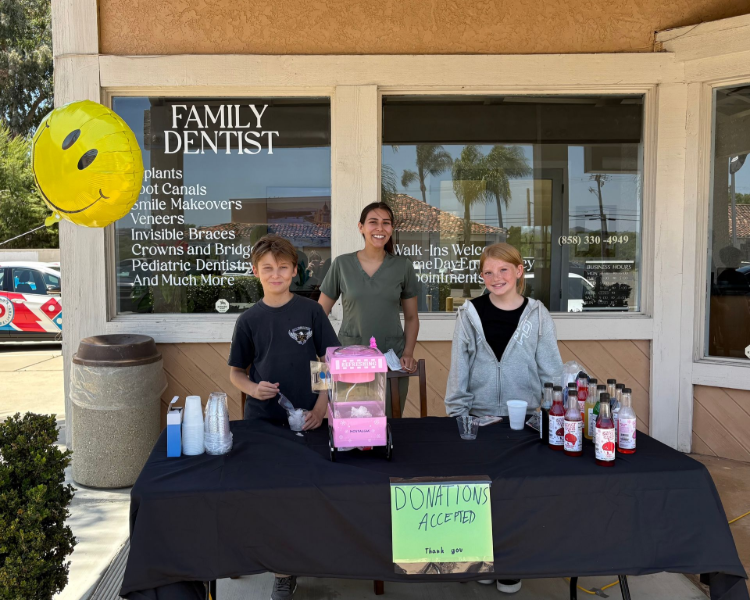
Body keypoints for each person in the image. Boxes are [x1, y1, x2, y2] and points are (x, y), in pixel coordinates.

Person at [443, 242, 562, 595]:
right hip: (478, 419)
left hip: (523, 420)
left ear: (519, 271)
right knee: (479, 492)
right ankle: (480, 557)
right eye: (488, 272)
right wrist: (457, 413)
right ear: (481, 276)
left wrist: (549, 411)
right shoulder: (469, 314)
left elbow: (551, 370)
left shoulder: (538, 315)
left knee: (516, 494)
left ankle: (511, 564)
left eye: (503, 270)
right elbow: (459, 367)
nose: (496, 278)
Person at [228, 235, 339, 600]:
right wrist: (251, 388)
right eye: (267, 268)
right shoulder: (249, 320)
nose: (276, 274)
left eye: (283, 268)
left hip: (310, 419)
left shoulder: (311, 312)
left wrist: (322, 406)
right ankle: (282, 569)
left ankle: (313, 554)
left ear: (295, 270)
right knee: (270, 494)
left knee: (312, 490)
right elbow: (236, 373)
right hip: (264, 422)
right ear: (255, 272)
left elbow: (327, 361)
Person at [318, 202, 420, 416]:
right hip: (349, 360)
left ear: (392, 229)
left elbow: (411, 317)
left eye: (386, 223)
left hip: (391, 359)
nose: (380, 228)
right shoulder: (342, 265)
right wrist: (329, 353)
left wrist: (409, 352)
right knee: (351, 422)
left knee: (389, 423)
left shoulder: (403, 266)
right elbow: (319, 314)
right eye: (373, 222)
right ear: (361, 227)